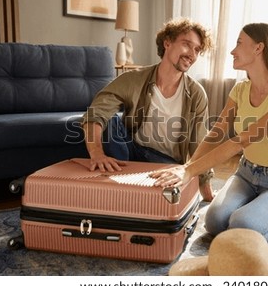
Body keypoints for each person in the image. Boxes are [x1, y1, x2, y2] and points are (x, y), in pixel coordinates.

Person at [151, 23, 268, 241]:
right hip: (246, 174)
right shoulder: (240, 89)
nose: (232, 51)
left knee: (239, 226)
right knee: (214, 222)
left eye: (239, 43)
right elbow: (217, 132)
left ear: (259, 48)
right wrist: (188, 168)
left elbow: (240, 141)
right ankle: (260, 209)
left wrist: (189, 171)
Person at [81, 17, 215, 201]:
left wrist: (206, 193)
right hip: (129, 152)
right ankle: (117, 182)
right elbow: (96, 112)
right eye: (186, 44)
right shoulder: (133, 79)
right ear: (167, 43)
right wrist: (96, 154)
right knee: (110, 120)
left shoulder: (196, 93)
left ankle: (123, 185)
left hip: (165, 162)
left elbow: (199, 144)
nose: (192, 54)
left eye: (197, 49)